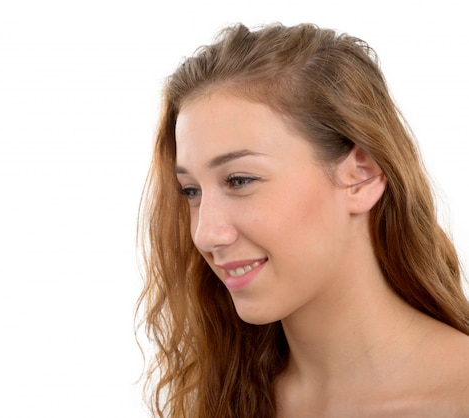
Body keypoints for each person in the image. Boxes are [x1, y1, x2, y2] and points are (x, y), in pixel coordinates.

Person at [135, 22, 469, 417]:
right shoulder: (223, 399)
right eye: (191, 191)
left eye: (239, 180)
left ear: (361, 175)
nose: (206, 234)